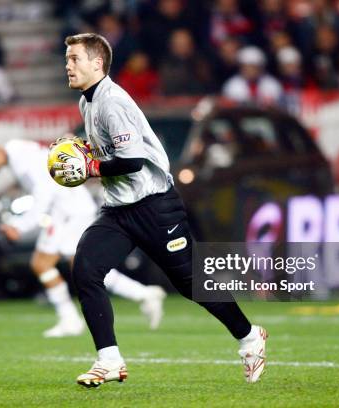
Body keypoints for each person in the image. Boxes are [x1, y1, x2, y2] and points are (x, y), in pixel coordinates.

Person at [53, 33, 267, 387]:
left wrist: (89, 169)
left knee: (193, 284)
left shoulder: (112, 102)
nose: (68, 64)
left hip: (155, 207)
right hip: (120, 210)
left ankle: (249, 337)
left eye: (75, 58)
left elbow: (133, 161)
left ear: (97, 64)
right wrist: (82, 156)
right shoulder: (86, 103)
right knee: (86, 269)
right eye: (67, 58)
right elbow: (108, 157)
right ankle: (109, 360)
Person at [0, 139, 166, 338]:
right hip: (72, 208)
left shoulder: (21, 159)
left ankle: (70, 319)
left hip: (66, 212)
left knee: (42, 264)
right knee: (83, 268)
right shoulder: (19, 152)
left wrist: (20, 225)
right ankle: (144, 294)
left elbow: (44, 193)